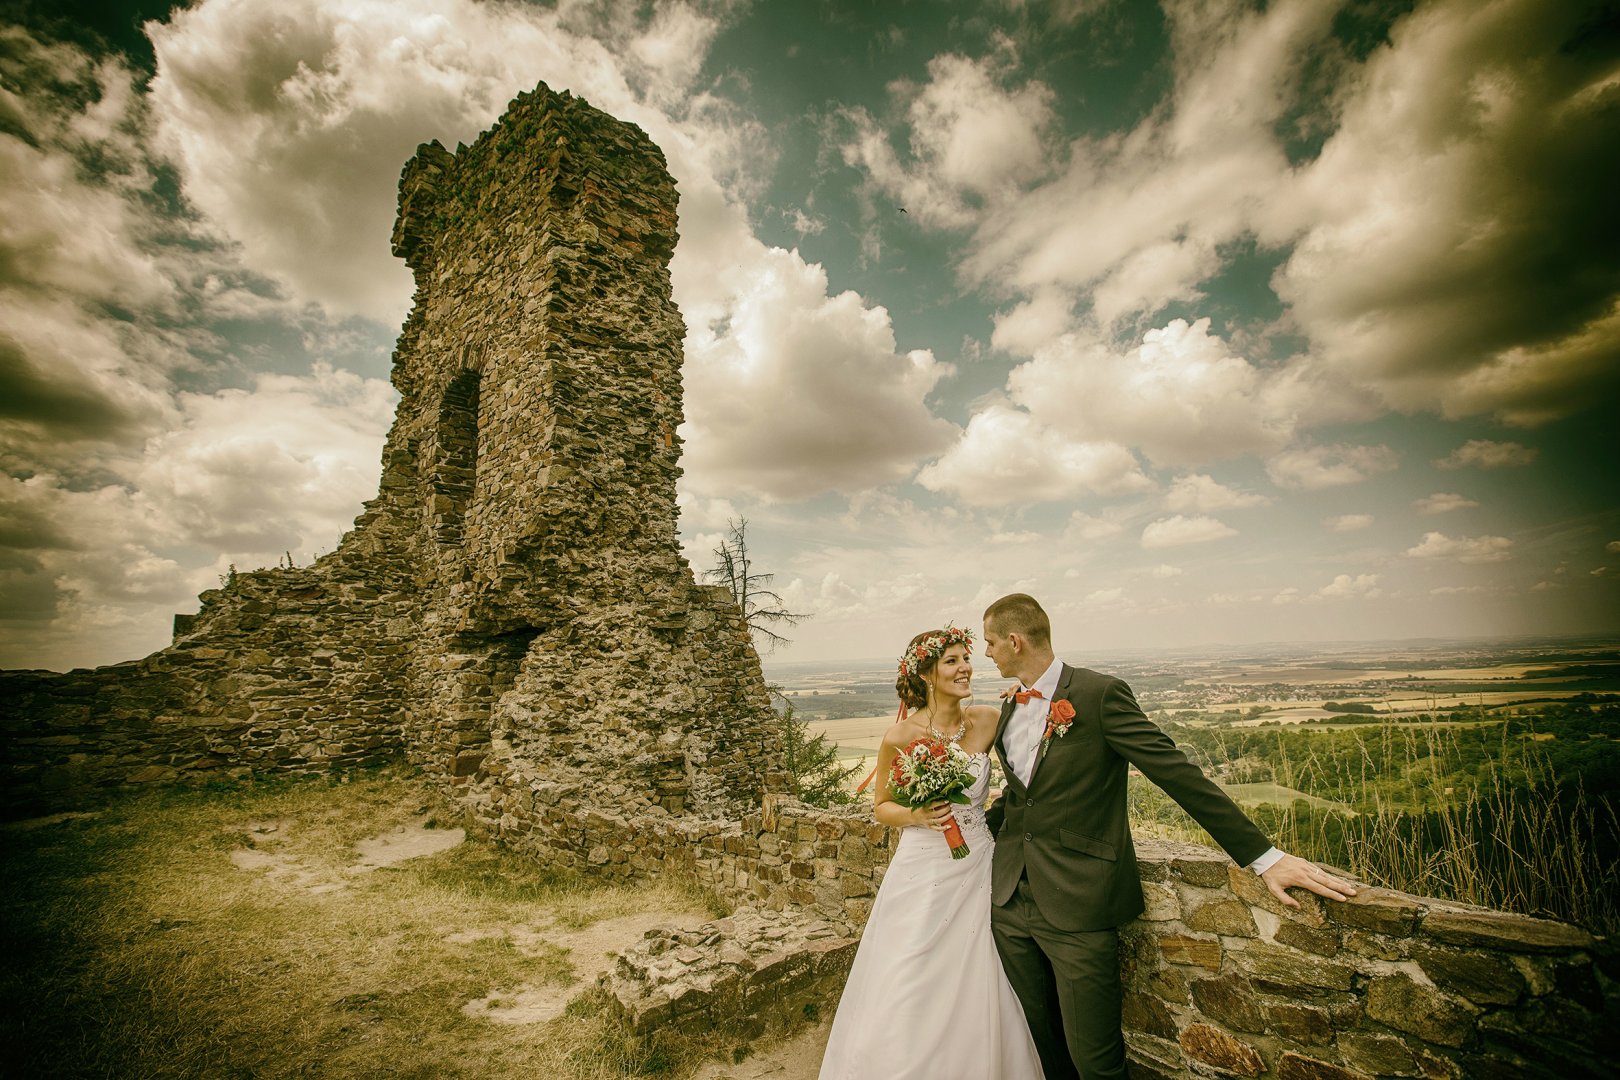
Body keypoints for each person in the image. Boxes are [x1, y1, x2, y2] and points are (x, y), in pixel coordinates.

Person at [981, 593, 1357, 1080]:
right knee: (1038, 1046)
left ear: (1015, 641)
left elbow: (1176, 773)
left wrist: (1264, 856)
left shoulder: (1100, 694)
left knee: (1095, 1061)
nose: (986, 652)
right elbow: (1020, 798)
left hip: (1078, 902)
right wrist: (959, 834)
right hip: (1009, 900)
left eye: (990, 642)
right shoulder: (1010, 707)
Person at [819, 625, 1044, 1080]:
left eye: (967, 659)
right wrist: (916, 815)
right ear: (925, 674)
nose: (965, 668)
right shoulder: (900, 736)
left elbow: (1033, 742)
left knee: (982, 970)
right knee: (912, 970)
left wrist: (1021, 697)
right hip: (921, 867)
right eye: (952, 661)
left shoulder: (988, 719)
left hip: (978, 863)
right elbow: (881, 806)